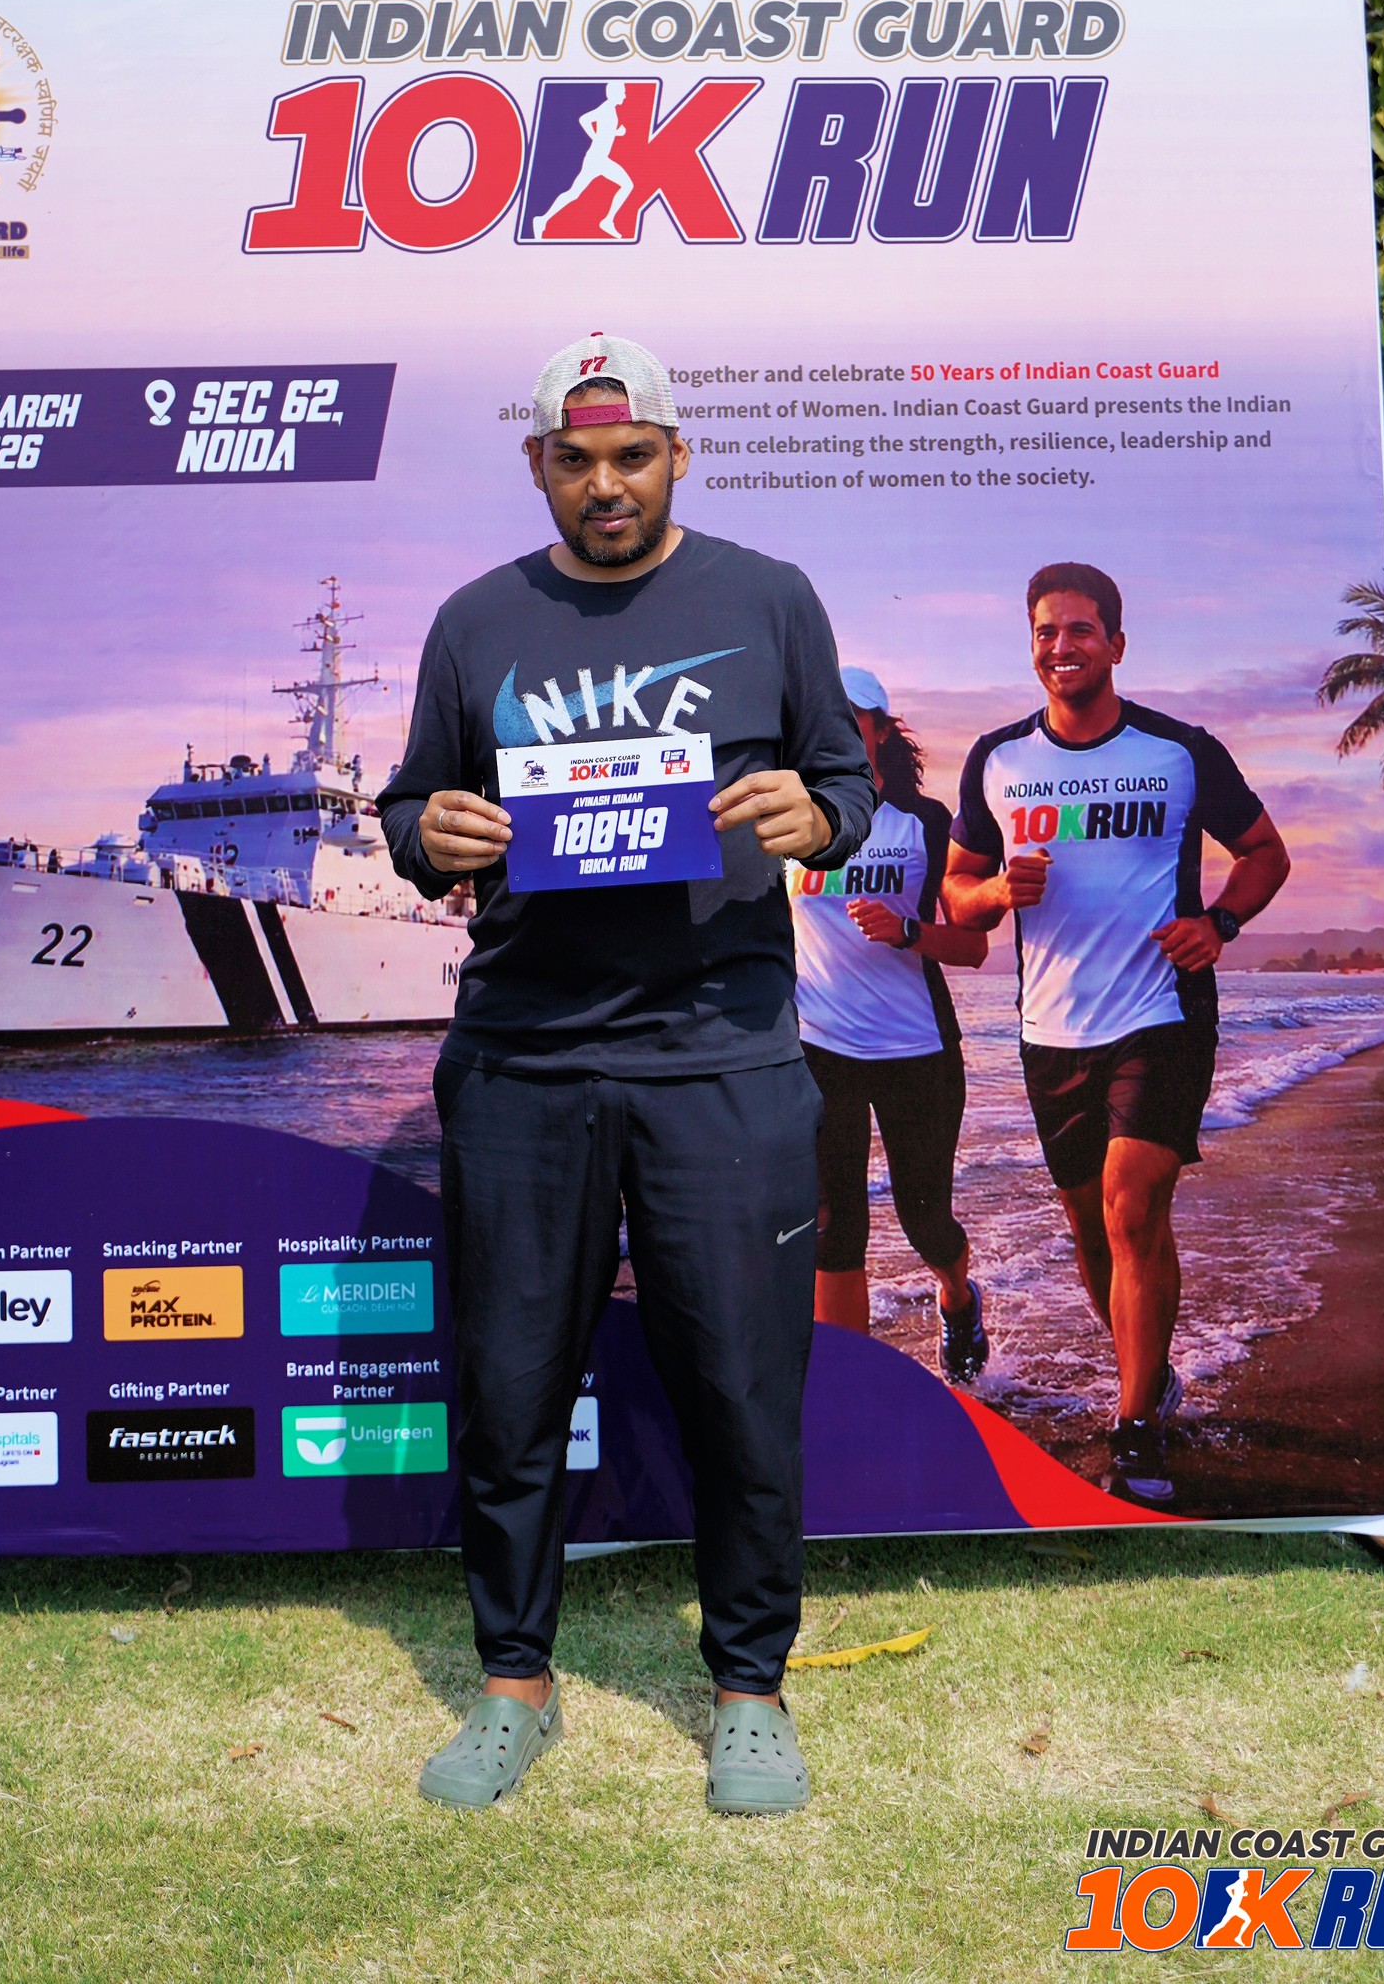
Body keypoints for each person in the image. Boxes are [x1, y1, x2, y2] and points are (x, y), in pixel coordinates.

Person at [380, 329, 875, 1815]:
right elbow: (407, 811)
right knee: (510, 1386)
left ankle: (750, 1691)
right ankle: (512, 1684)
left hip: (721, 1056)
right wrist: (428, 834)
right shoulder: (475, 622)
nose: (606, 485)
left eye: (632, 457)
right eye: (576, 461)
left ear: (676, 455)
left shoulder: (769, 598)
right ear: (538, 464)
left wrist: (816, 817)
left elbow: (848, 784)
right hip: (522, 1060)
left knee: (740, 1389)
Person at [941, 564, 1290, 1506]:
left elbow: (1266, 853)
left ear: (1117, 645)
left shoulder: (1180, 751)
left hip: (1161, 1012)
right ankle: (1153, 1373)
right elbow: (956, 897)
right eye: (1046, 632)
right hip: (1049, 1027)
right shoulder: (997, 759)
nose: (1062, 647)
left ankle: (1135, 1431)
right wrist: (994, 890)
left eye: (1081, 630)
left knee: (1132, 1208)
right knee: (1094, 1233)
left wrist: (1219, 924)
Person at [789, 667, 990, 1379]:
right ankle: (850, 1392)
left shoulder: (925, 822)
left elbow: (973, 948)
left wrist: (907, 931)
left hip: (917, 1048)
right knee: (833, 1229)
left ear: (880, 729)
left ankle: (958, 1296)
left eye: (855, 717)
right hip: (818, 1050)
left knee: (926, 1221)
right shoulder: (787, 821)